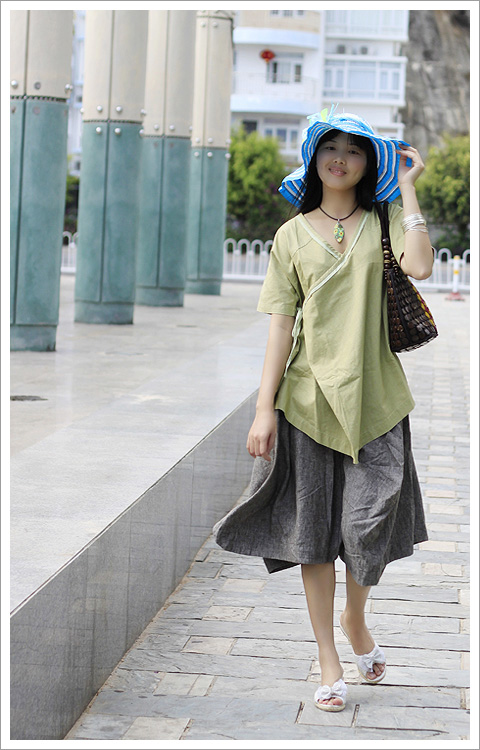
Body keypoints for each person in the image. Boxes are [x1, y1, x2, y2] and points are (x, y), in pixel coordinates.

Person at [213, 107, 434, 712]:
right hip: (306, 402)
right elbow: (280, 328)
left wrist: (407, 187)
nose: (341, 158)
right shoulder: (290, 236)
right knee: (312, 536)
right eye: (330, 147)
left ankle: (355, 617)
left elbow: (420, 266)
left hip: (376, 400)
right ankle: (329, 658)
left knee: (368, 525)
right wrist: (263, 409)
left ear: (369, 163)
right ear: (313, 158)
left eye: (355, 149)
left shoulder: (383, 220)